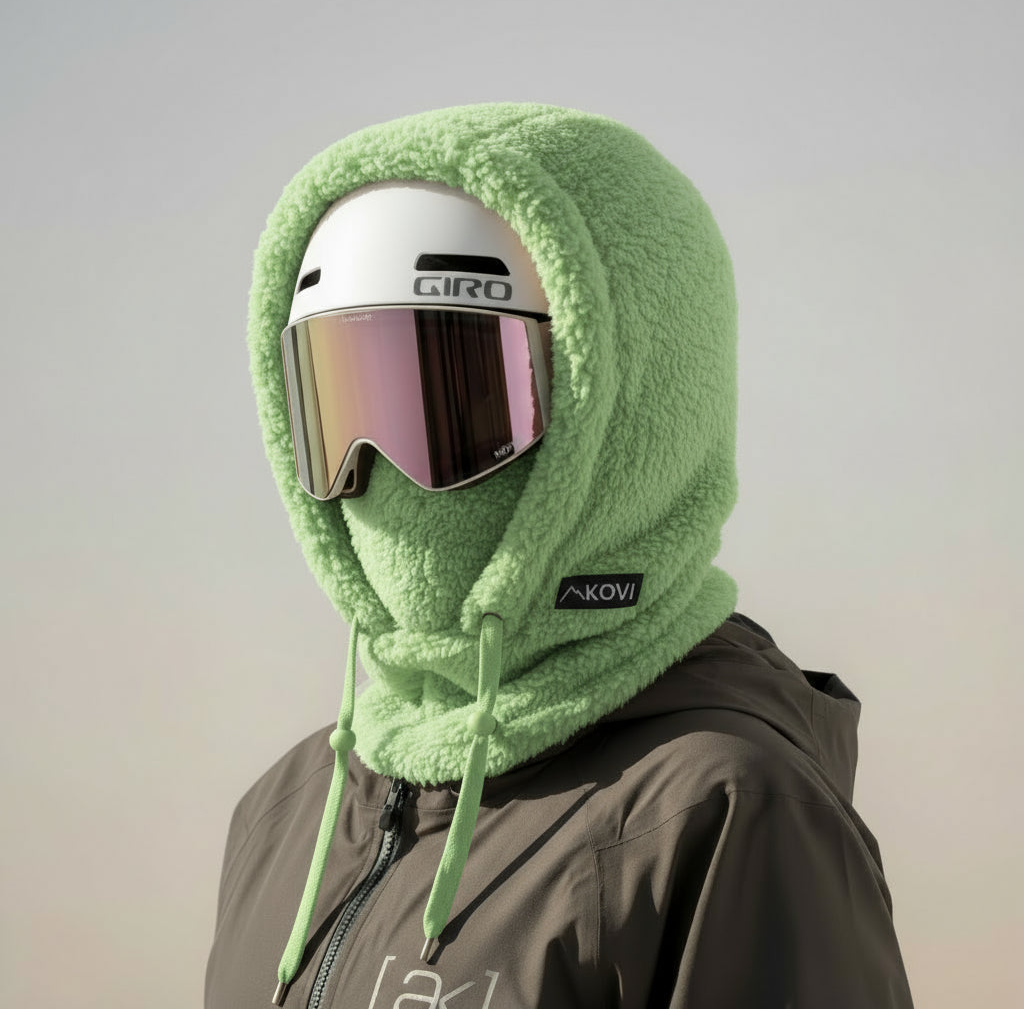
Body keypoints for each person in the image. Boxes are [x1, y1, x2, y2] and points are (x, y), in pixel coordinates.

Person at [206, 103, 914, 1008]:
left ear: (625, 417)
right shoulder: (288, 812)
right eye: (341, 407)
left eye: (447, 404)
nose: (380, 474)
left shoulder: (721, 812)